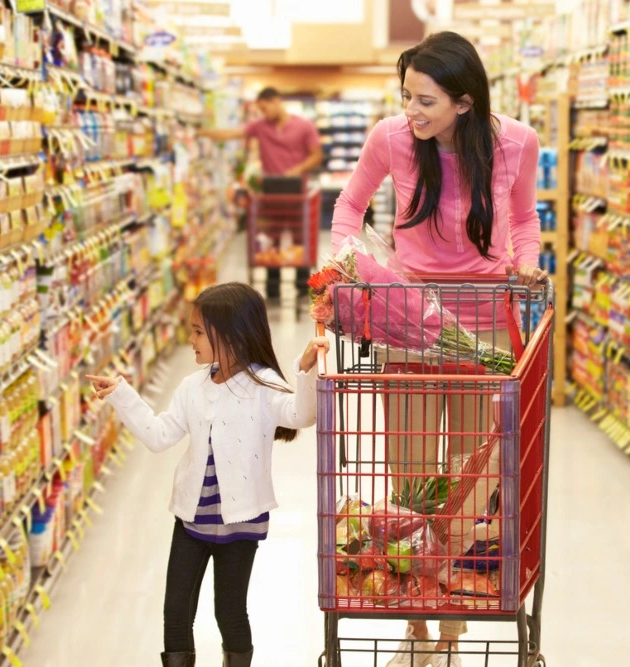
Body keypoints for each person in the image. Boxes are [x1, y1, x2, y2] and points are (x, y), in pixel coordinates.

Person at [330, 31, 547, 667]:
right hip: (410, 323)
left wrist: (527, 262)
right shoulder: (390, 139)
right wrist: (348, 255)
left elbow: (526, 220)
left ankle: (451, 624)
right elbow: (350, 204)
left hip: (484, 328)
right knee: (414, 476)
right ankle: (416, 623)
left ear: (465, 101)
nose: (411, 112)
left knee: (469, 480)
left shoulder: (517, 143)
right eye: (405, 98)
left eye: (425, 100)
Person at [86, 282, 328, 667]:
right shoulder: (191, 387)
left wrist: (304, 371)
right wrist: (121, 394)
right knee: (175, 611)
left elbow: (301, 416)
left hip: (241, 522)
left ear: (230, 335)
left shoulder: (262, 385)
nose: (191, 339)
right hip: (191, 518)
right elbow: (159, 435)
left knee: (229, 613)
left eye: (198, 331)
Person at [201, 87, 323, 300]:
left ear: (276, 101)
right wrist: (202, 133)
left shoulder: (304, 126)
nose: (262, 113)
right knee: (270, 241)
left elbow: (316, 156)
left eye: (264, 108)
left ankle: (302, 288)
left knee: (299, 241)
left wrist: (294, 172)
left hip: (297, 196)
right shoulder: (260, 126)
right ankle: (272, 289)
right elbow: (233, 134)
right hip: (269, 196)